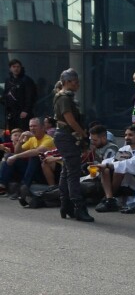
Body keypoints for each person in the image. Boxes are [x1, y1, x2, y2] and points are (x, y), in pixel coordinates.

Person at [53, 68, 94, 222]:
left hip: (65, 136)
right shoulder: (64, 98)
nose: (78, 84)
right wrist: (83, 135)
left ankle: (66, 206)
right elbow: (70, 121)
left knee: (67, 171)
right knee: (73, 173)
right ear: (66, 82)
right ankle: (78, 207)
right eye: (75, 82)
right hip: (67, 136)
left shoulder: (66, 97)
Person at [94, 124, 135, 211]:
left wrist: (109, 164)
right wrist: (104, 164)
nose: (127, 137)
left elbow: (131, 165)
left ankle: (109, 199)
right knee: (105, 170)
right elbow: (113, 160)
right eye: (126, 135)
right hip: (124, 183)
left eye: (130, 135)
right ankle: (109, 199)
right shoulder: (125, 149)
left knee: (119, 169)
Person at [0, 117, 53, 196]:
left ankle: (24, 186)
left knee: (35, 157)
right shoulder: (32, 139)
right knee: (9, 156)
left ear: (42, 127)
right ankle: (2, 186)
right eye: (30, 126)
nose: (32, 128)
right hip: (32, 171)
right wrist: (21, 140)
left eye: (35, 126)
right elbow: (17, 152)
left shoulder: (48, 139)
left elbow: (37, 151)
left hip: (45, 173)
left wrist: (15, 156)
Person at [3, 59, 38, 129]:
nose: (16, 69)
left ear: (21, 68)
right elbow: (6, 95)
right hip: (11, 114)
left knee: (23, 132)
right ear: (10, 68)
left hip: (22, 113)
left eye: (18, 67)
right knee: (13, 134)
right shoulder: (8, 81)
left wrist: (26, 110)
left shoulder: (26, 80)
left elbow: (31, 97)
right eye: (14, 66)